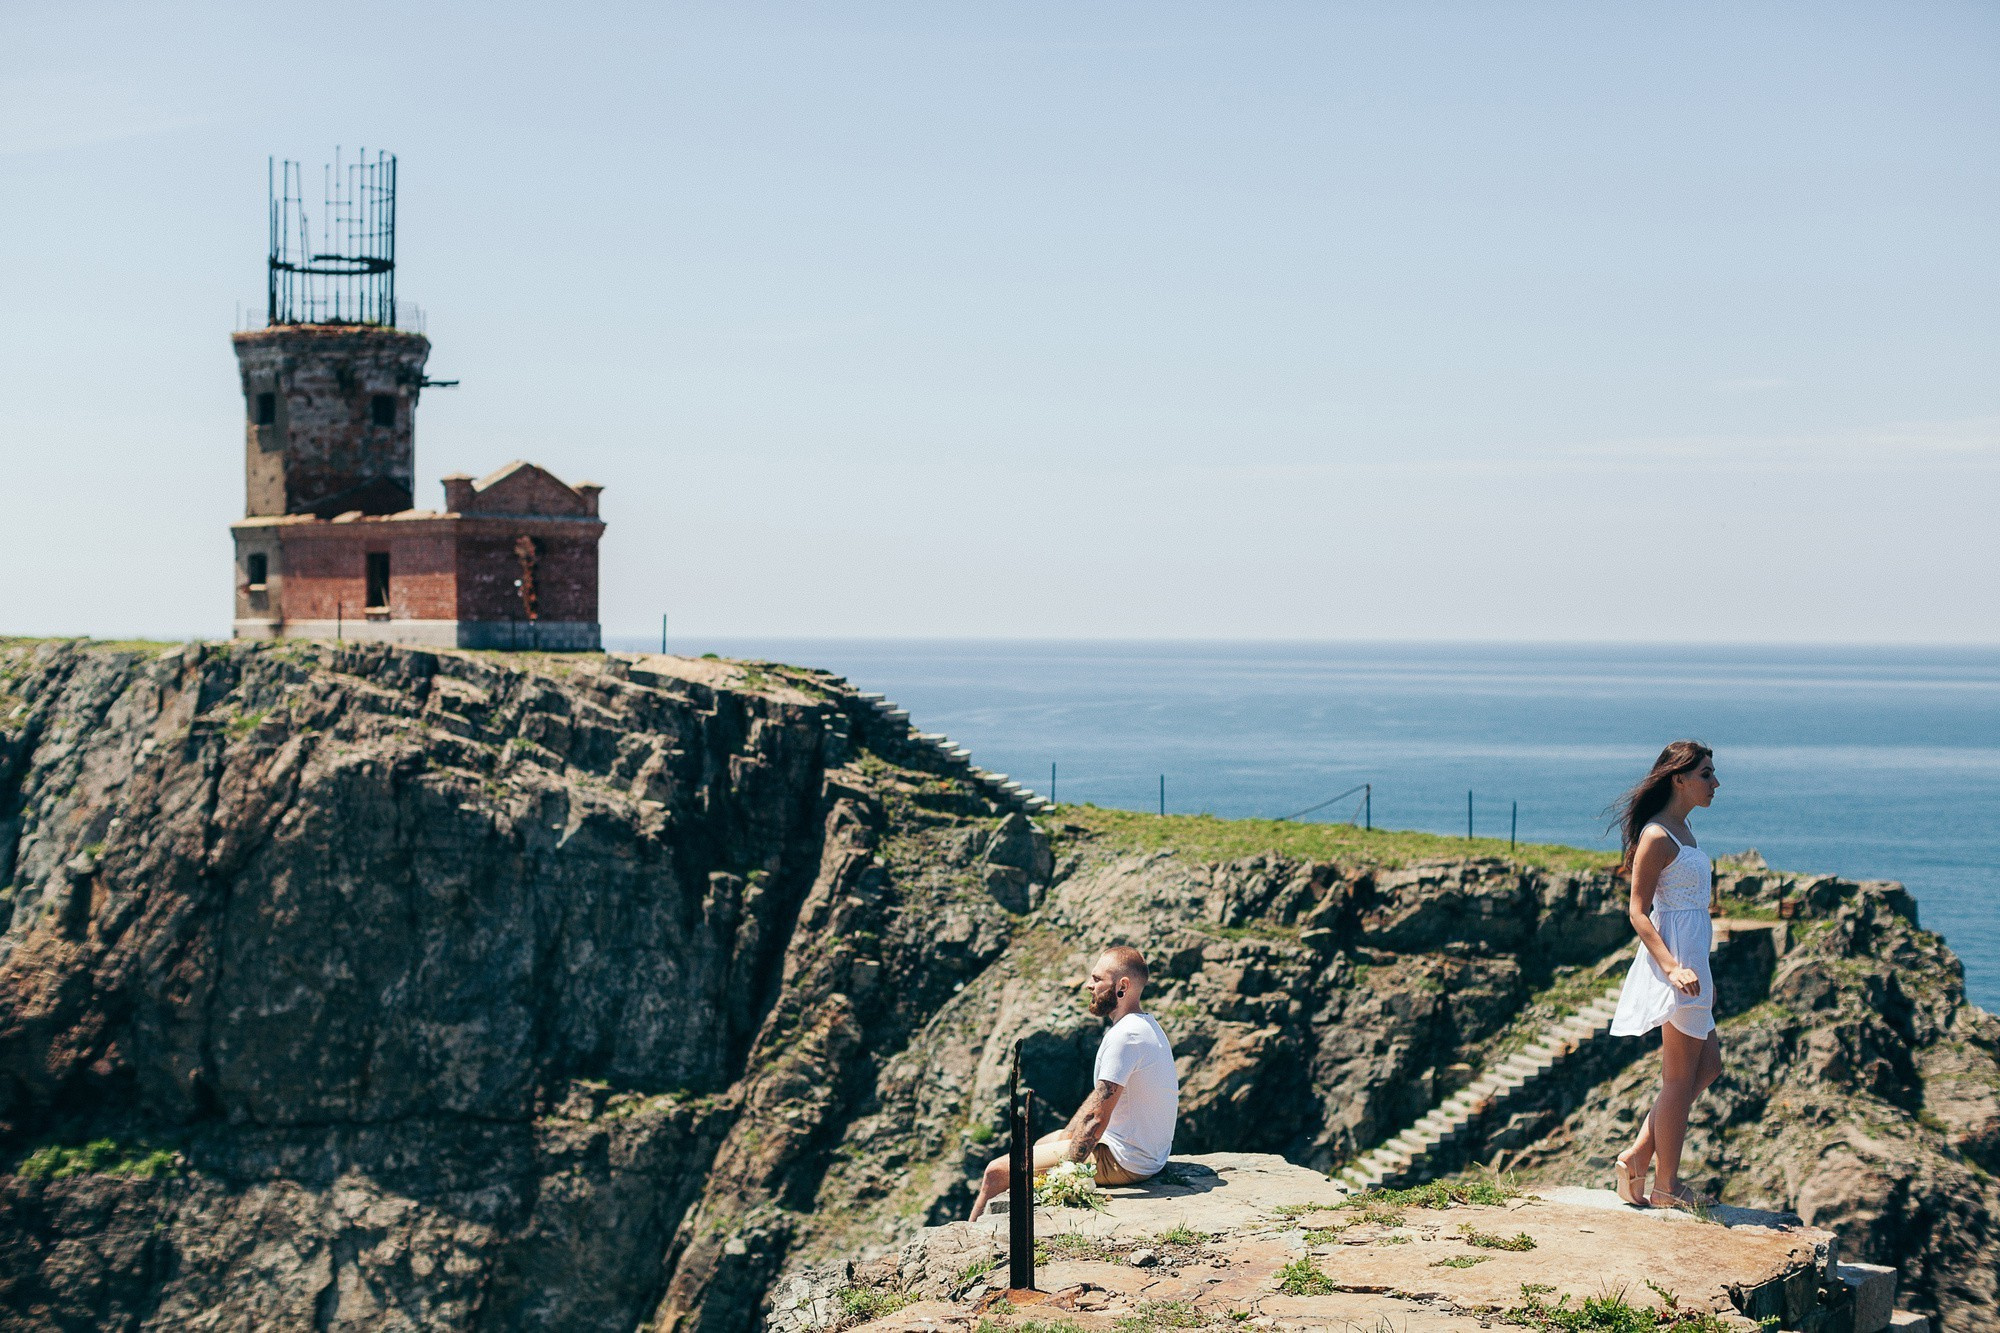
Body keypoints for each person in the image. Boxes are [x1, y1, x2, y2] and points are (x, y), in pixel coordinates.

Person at [968, 946, 1179, 1221]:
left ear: (1122, 986)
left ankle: (969, 1240)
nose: (1088, 985)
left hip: (1127, 1160)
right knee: (1045, 1143)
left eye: (1097, 979)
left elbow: (1096, 1119)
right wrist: (1068, 1135)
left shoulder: (1126, 1037)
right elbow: (1099, 1099)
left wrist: (1067, 1174)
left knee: (996, 1173)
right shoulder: (1143, 1026)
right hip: (1138, 1151)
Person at [1607, 740, 1724, 1211]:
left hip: (1696, 960)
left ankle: (1638, 1156)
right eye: (1706, 774)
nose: (1715, 783)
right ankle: (1665, 1187)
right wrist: (1672, 968)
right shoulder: (1658, 836)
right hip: (1677, 966)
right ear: (1679, 778)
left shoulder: (1684, 829)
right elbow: (1638, 913)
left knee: (1707, 1067)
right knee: (1678, 1080)